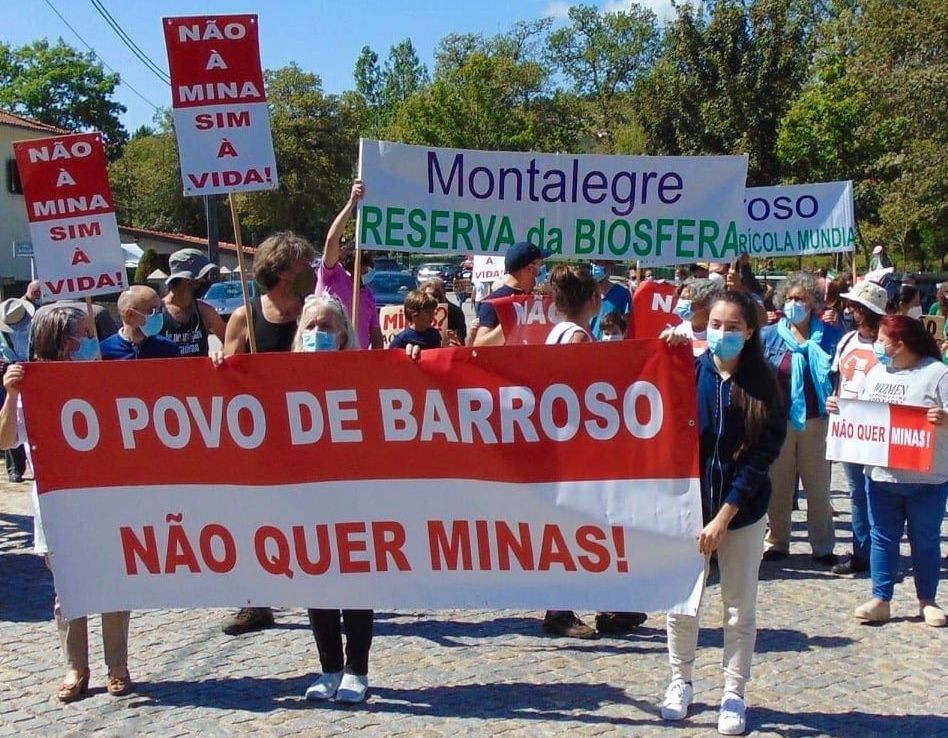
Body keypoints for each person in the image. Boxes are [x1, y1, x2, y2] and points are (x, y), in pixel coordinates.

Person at [659, 290, 786, 736]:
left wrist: (723, 517)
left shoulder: (765, 384)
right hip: (689, 510)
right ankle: (680, 680)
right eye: (715, 325)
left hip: (742, 514)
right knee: (682, 604)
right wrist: (665, 353)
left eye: (733, 327)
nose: (723, 333)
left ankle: (734, 692)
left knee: (737, 608)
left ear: (750, 332)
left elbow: (759, 457)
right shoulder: (689, 373)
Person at [0, 306, 131, 701]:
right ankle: (76, 667)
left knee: (114, 583)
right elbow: (6, 441)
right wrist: (11, 395)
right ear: (61, 342)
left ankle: (118, 665)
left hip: (108, 497)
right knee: (69, 590)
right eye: (86, 334)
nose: (94, 341)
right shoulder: (33, 388)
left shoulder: (110, 378)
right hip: (58, 505)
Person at [542, 264, 648, 638]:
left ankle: (612, 603)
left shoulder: (555, 333)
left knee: (590, 526)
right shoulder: (578, 340)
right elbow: (587, 396)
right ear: (593, 298)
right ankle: (562, 608)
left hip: (564, 446)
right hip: (579, 449)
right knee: (587, 527)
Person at [220, 231, 316, 635]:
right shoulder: (246, 315)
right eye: (301, 264)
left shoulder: (313, 311)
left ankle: (322, 592)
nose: (309, 270)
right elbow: (228, 374)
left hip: (307, 432)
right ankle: (254, 601)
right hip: (259, 434)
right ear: (281, 270)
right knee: (254, 516)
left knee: (312, 515)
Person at [827, 316, 948, 627]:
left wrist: (944, 417)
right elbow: (864, 414)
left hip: (927, 478)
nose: (877, 346)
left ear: (901, 344)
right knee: (883, 538)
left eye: (882, 340)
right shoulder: (876, 371)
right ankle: (881, 598)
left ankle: (927, 601)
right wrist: (839, 408)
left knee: (925, 540)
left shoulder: (938, 374)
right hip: (881, 476)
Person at [291, 294, 375, 703]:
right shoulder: (282, 377)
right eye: (311, 327)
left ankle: (357, 668)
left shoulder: (363, 373)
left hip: (354, 490)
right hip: (306, 492)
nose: (318, 334)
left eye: (326, 326)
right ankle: (329, 669)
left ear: (343, 334)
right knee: (319, 579)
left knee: (356, 581)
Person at [760, 272, 842, 564]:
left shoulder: (832, 336)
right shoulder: (768, 335)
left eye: (801, 299)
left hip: (817, 420)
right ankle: (778, 542)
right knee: (778, 485)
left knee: (818, 486)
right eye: (791, 298)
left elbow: (841, 376)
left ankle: (822, 546)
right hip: (779, 422)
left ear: (813, 304)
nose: (795, 303)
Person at [825, 281, 888, 576]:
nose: (849, 311)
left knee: (879, 492)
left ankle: (882, 554)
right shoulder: (848, 339)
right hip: (849, 429)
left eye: (855, 307)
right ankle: (861, 552)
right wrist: (833, 399)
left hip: (879, 428)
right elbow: (838, 379)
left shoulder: (888, 344)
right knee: (856, 493)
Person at [316, 180, 383, 349]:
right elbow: (332, 240)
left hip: (356, 363)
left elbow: (376, 336)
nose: (367, 271)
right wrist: (352, 202)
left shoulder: (368, 295)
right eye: (365, 267)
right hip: (327, 356)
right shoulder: (332, 274)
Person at [471, 242, 548, 347]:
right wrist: (512, 320)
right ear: (531, 269)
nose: (542, 270)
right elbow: (480, 345)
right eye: (541, 264)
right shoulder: (494, 302)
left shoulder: (536, 298)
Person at [160, 248, 225, 357]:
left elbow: (229, 339)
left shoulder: (205, 311)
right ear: (187, 279)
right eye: (204, 276)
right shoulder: (158, 311)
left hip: (199, 374)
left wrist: (220, 355)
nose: (206, 280)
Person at [0, 297, 34, 482]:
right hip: (8, 378)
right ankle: (15, 468)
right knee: (10, 419)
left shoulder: (34, 328)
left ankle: (27, 464)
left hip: (31, 375)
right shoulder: (2, 335)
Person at [101, 286, 181, 360]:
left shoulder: (168, 349)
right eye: (154, 311)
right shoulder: (104, 352)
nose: (159, 315)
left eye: (160, 309)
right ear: (130, 314)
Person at [390, 290, 455, 352]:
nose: (432, 315)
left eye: (433, 311)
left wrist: (446, 347)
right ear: (413, 313)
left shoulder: (434, 334)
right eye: (427, 312)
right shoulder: (401, 340)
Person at [674, 278, 725, 356]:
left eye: (686, 299)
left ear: (705, 304)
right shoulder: (680, 330)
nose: (681, 303)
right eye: (681, 298)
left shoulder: (720, 336)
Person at [588, 260, 632, 340]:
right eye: (594, 263)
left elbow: (625, 329)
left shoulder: (622, 294)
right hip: (589, 347)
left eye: (600, 263)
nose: (595, 266)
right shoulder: (585, 293)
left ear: (610, 266)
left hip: (611, 347)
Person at [421, 277, 466, 344]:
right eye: (426, 295)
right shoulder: (417, 311)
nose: (430, 298)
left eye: (434, 295)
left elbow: (461, 338)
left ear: (442, 294)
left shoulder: (455, 311)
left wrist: (454, 337)